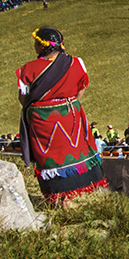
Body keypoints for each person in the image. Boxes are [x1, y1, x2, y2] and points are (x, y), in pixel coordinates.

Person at [15, 27, 107, 207]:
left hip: (42, 122)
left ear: (42, 47)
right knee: (75, 153)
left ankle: (57, 198)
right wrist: (70, 104)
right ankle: (77, 194)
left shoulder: (27, 70)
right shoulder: (76, 63)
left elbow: (23, 98)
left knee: (50, 158)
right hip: (70, 115)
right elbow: (81, 89)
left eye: (36, 43)